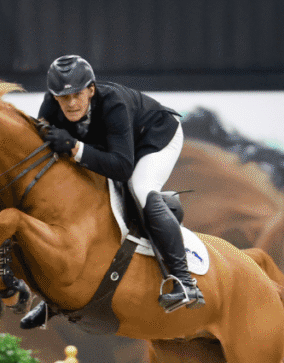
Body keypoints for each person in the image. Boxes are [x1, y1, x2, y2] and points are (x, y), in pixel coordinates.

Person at [20, 54, 204, 330]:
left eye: (77, 95)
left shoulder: (113, 104)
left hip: (155, 136)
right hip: (114, 145)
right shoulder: (50, 106)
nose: (71, 103)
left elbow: (122, 167)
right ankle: (53, 299)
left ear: (91, 90)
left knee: (140, 188)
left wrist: (75, 148)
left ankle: (185, 282)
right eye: (63, 97)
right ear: (53, 96)